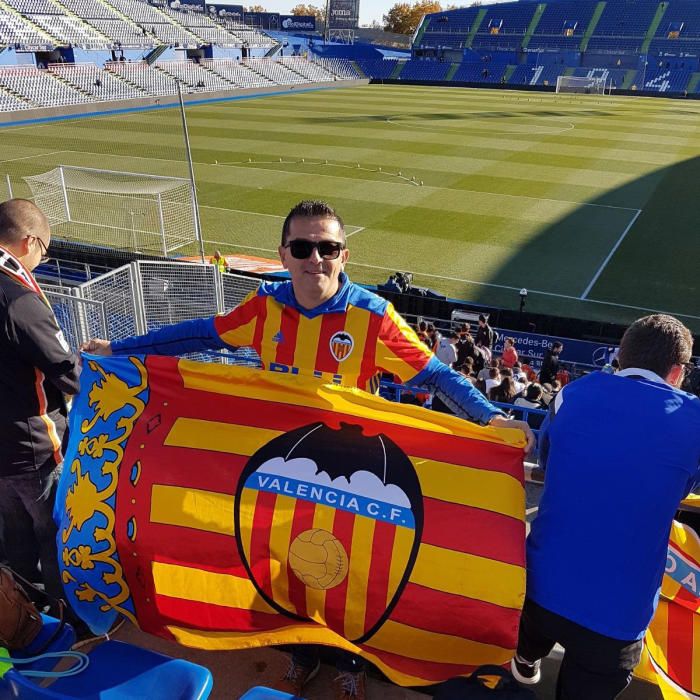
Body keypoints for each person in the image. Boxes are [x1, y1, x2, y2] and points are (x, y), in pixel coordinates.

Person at [82, 200, 534, 700]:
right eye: (303, 247)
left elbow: (436, 374)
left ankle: (351, 665)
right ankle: (299, 656)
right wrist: (122, 351)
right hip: (282, 465)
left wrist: (488, 415)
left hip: (352, 476)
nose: (314, 258)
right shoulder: (265, 307)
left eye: (328, 248)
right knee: (283, 566)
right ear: (283, 253)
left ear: (344, 255)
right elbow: (200, 334)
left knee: (347, 577)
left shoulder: (374, 317)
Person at [511, 314, 700, 700]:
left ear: (621, 356)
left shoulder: (574, 393)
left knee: (528, 636)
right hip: (616, 616)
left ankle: (524, 657)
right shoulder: (693, 419)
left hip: (539, 585)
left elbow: (548, 460)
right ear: (678, 371)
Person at [0, 199, 79, 611]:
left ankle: (19, 611)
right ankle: (64, 619)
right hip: (30, 447)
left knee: (13, 536)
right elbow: (68, 373)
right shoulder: (18, 300)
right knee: (52, 532)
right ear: (29, 241)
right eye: (44, 251)